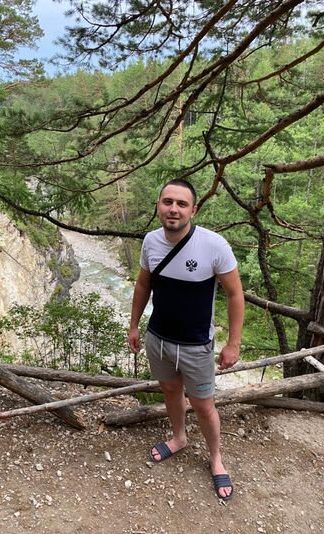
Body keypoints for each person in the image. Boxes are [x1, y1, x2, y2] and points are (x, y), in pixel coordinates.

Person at [128, 179, 244, 501]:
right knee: (170, 391)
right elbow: (143, 285)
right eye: (168, 202)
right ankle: (179, 438)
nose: (173, 209)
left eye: (181, 204)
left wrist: (233, 343)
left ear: (193, 210)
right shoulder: (151, 242)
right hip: (158, 339)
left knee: (204, 406)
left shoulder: (214, 245)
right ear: (158, 206)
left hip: (196, 345)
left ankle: (216, 459)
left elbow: (235, 294)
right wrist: (134, 325)